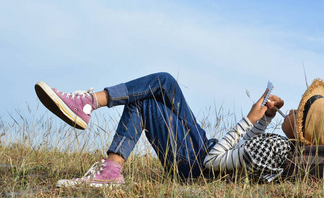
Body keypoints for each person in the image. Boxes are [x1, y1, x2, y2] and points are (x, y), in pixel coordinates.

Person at [35, 72, 286, 187]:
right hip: (201, 147)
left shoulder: (280, 150)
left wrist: (248, 119)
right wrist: (263, 119)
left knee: (156, 90)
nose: (291, 110)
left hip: (198, 163)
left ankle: (88, 103)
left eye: (295, 113)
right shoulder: (278, 146)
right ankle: (109, 167)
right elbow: (244, 149)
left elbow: (213, 161)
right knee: (159, 87)